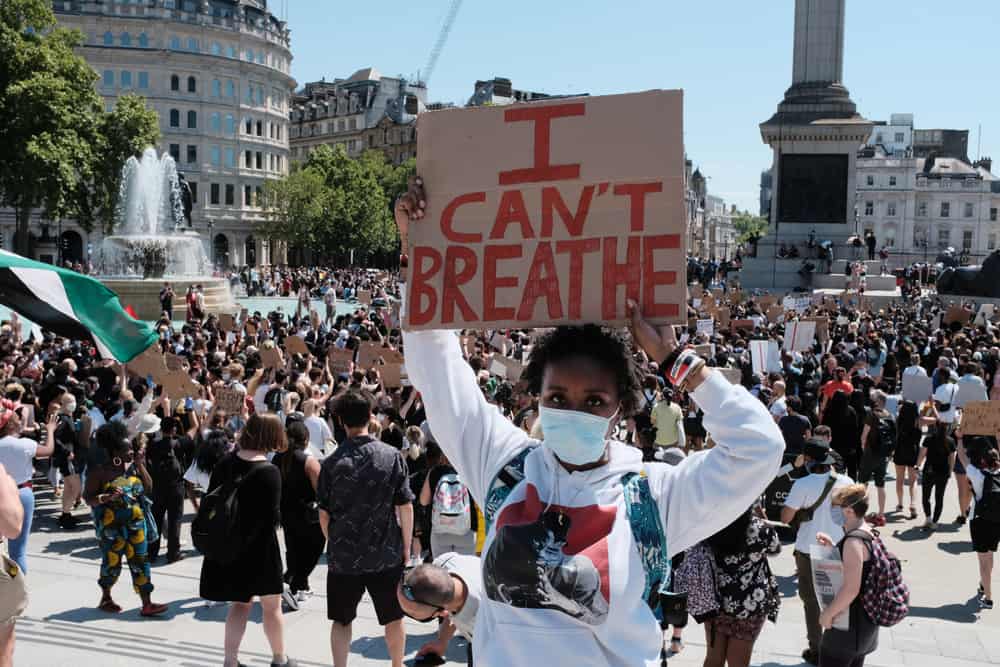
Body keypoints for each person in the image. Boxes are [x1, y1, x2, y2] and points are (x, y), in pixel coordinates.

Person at [393, 177, 784, 666]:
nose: (573, 411)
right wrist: (418, 250)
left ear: (620, 407)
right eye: (557, 396)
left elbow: (759, 449)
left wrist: (674, 359)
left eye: (594, 400)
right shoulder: (506, 470)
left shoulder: (653, 499)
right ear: (536, 396)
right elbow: (437, 368)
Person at [317, 390, 414, 667]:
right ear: (370, 417)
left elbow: (324, 514)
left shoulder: (331, 463)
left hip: (344, 557)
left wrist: (333, 541)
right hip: (385, 553)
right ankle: (397, 664)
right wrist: (406, 547)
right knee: (394, 618)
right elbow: (405, 507)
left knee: (341, 619)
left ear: (340, 420)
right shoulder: (391, 456)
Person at [199, 414, 296, 667]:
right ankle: (279, 658)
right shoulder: (269, 471)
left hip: (229, 546)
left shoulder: (225, 463)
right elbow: (273, 519)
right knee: (271, 608)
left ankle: (230, 661)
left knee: (240, 606)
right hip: (261, 549)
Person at [82, 421, 168, 617]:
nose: (131, 452)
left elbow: (148, 488)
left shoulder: (133, 468)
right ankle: (106, 597)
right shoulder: (100, 472)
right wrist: (107, 497)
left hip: (136, 526)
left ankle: (147, 603)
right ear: (115, 452)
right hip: (111, 528)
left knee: (141, 562)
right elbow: (88, 498)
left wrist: (139, 465)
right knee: (111, 564)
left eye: (131, 449)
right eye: (126, 450)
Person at [781, 439, 853, 666]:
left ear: (809, 460)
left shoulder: (803, 484)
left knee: (811, 603)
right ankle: (838, 650)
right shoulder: (847, 482)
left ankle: (816, 649)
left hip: (807, 550)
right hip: (836, 547)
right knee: (836, 602)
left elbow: (785, 518)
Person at [702, 508, 782, 667]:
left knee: (713, 659)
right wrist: (762, 516)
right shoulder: (762, 528)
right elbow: (775, 549)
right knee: (739, 662)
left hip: (716, 601)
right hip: (750, 604)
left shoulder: (711, 524)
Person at [816, 485, 880, 667]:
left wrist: (827, 615)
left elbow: (851, 589)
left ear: (849, 511)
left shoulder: (853, 541)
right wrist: (834, 549)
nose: (832, 511)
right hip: (865, 627)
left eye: (835, 507)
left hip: (847, 630)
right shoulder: (869, 533)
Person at [272, 419, 324, 605]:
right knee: (314, 549)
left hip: (285, 512)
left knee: (293, 550)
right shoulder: (309, 461)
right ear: (306, 439)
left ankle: (300, 587)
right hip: (308, 515)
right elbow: (322, 491)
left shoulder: (277, 458)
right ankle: (292, 584)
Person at [398, 553, 482, 666]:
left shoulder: (482, 619)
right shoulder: (444, 563)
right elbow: (450, 605)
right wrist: (442, 641)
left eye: (410, 613)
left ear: (441, 613)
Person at [0, 409, 56, 572]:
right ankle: (18, 589)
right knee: (18, 551)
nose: (21, 421)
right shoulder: (24, 444)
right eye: (18, 419)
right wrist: (50, 430)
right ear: (11, 424)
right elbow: (48, 450)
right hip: (22, 493)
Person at [957, 434, 1000, 609]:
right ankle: (984, 584)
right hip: (997, 520)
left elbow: (962, 456)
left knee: (983, 560)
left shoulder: (977, 474)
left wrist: (959, 439)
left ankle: (988, 598)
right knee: (990, 555)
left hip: (980, 519)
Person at [145, 415, 193, 563]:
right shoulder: (179, 443)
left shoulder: (152, 445)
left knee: (157, 519)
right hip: (175, 487)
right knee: (175, 520)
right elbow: (194, 430)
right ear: (174, 429)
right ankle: (173, 553)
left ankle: (151, 553)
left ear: (160, 429)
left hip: (157, 488)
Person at [421, 451, 477, 558]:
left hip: (440, 529)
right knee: (465, 571)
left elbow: (423, 500)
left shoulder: (435, 472)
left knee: (442, 571)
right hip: (466, 529)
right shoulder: (468, 471)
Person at [857, 391, 894, 526]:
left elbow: (864, 435)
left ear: (878, 401)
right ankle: (881, 515)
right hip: (883, 455)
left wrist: (863, 447)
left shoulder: (871, 415)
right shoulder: (890, 416)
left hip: (870, 453)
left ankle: (861, 514)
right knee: (880, 485)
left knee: (863, 484)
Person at [892, 400, 920, 519]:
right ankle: (913, 504)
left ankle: (900, 504)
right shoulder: (917, 423)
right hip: (913, 452)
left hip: (900, 451)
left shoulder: (898, 421)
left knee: (899, 479)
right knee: (913, 481)